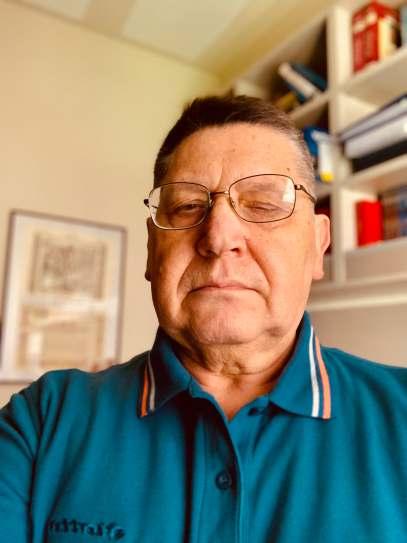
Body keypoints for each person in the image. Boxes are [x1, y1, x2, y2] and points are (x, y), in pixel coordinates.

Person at [0, 94, 406, 543]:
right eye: (188, 206)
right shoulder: (43, 421)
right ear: (153, 250)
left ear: (317, 243)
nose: (218, 236)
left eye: (263, 204)